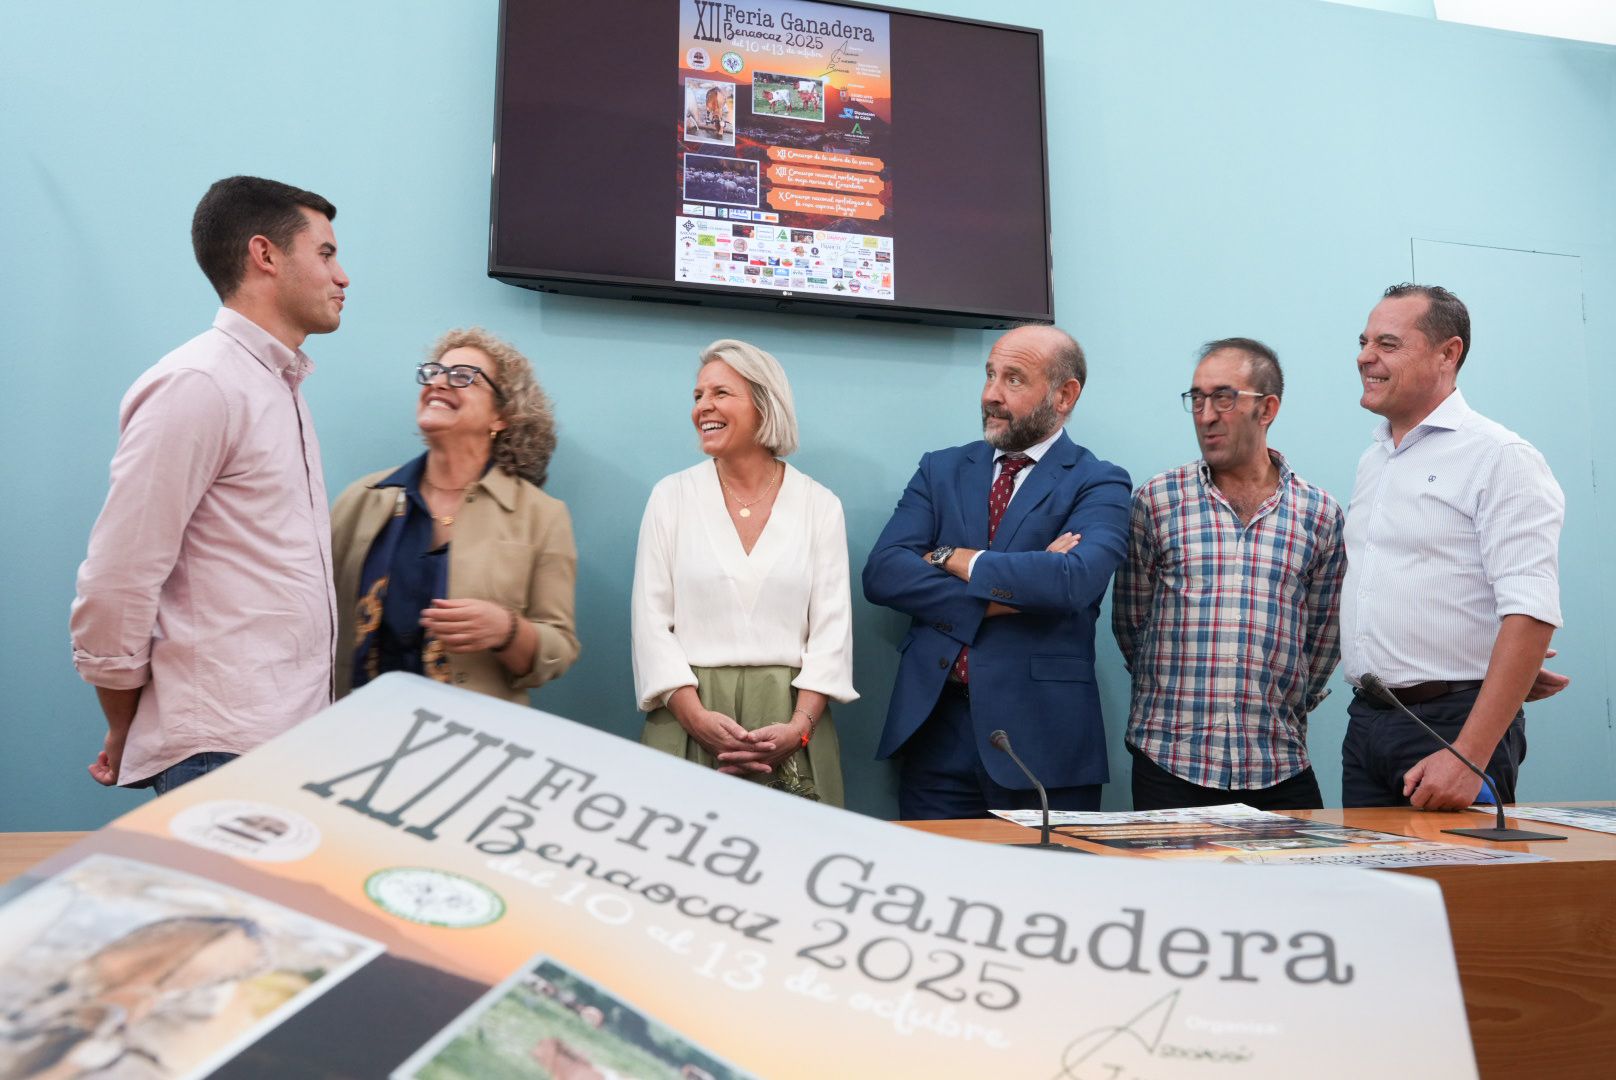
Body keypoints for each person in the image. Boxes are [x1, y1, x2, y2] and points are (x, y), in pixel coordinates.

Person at [71, 176, 348, 794]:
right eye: (326, 254)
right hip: (222, 755)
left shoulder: (278, 387)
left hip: (287, 748)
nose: (342, 276)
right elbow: (118, 576)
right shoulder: (200, 383)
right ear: (265, 255)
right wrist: (125, 720)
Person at [863, 325, 1131, 819]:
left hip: (1042, 742)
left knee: (1045, 892)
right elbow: (882, 572)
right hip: (934, 733)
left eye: (1013, 379)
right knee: (931, 888)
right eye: (989, 375)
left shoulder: (1100, 481)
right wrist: (1001, 597)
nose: (991, 394)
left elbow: (1071, 580)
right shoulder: (940, 469)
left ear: (1064, 395)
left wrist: (949, 556)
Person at [1342, 284, 1567, 808]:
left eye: (1388, 344)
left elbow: (1531, 612)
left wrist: (1469, 755)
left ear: (1449, 353)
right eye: (1364, 341)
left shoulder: (1500, 456)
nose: (1365, 357)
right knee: (1375, 891)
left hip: (1448, 730)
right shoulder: (1373, 459)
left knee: (1457, 890)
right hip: (1368, 724)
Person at [1113, 339, 1345, 811]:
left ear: (1267, 408)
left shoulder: (1319, 514)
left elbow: (1323, 638)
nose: (1205, 414)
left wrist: (1283, 700)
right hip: (1169, 758)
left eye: (1223, 397)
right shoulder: (1157, 501)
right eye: (1196, 399)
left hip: (1278, 761)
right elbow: (1131, 623)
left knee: (1302, 884)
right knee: (1173, 889)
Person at [631, 339, 856, 804]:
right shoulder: (670, 497)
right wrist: (695, 720)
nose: (703, 408)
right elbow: (650, 624)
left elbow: (832, 634)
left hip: (791, 719)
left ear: (764, 403)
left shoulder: (820, 505)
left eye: (720, 393)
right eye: (698, 396)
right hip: (687, 716)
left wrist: (798, 729)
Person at [331, 329, 579, 702]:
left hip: (473, 741)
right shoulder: (361, 499)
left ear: (502, 416)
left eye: (463, 376)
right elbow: (313, 619)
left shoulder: (542, 516)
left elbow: (558, 649)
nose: (438, 383)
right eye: (432, 373)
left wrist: (508, 630)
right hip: (356, 728)